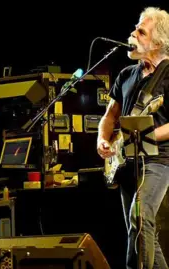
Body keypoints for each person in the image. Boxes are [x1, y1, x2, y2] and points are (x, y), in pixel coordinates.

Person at [97, 7, 169, 269]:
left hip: (158, 160)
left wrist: (143, 135)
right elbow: (109, 116)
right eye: (135, 28)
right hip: (126, 161)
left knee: (140, 218)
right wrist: (103, 139)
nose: (132, 34)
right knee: (141, 232)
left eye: (141, 31)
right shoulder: (126, 75)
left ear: (158, 42)